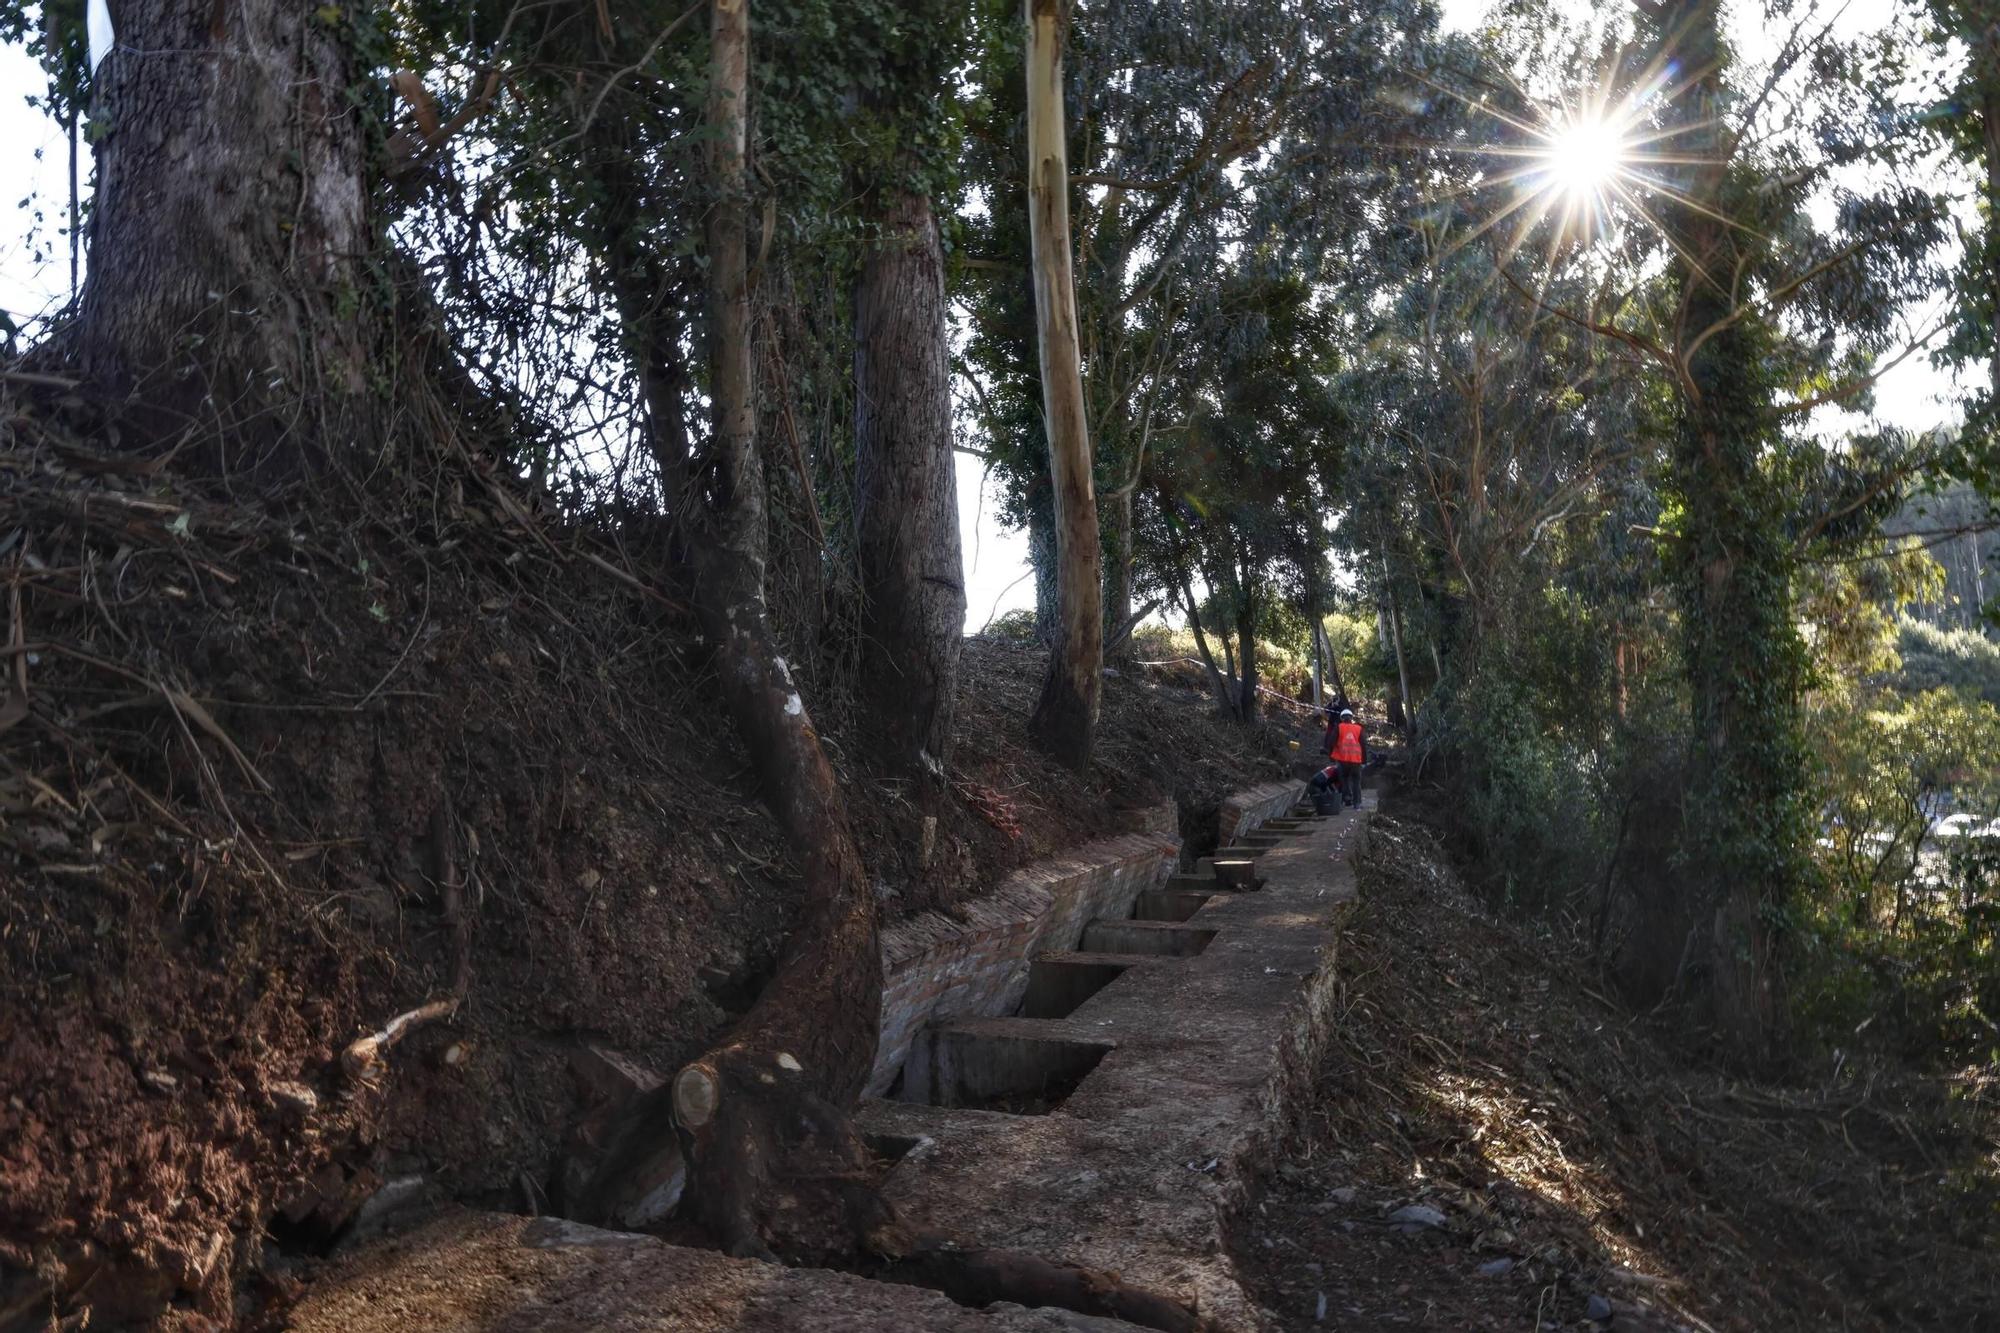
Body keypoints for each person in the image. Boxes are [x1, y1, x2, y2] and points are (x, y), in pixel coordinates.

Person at [1330, 707, 1366, 809]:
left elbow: (1331, 742)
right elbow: (1363, 745)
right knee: (1356, 781)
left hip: (1343, 759)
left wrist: (1331, 756)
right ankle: (1357, 803)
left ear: (1342, 718)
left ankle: (1347, 799)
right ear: (1351, 718)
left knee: (1344, 779)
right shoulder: (1358, 728)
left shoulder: (1339, 727)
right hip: (1356, 760)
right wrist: (1364, 760)